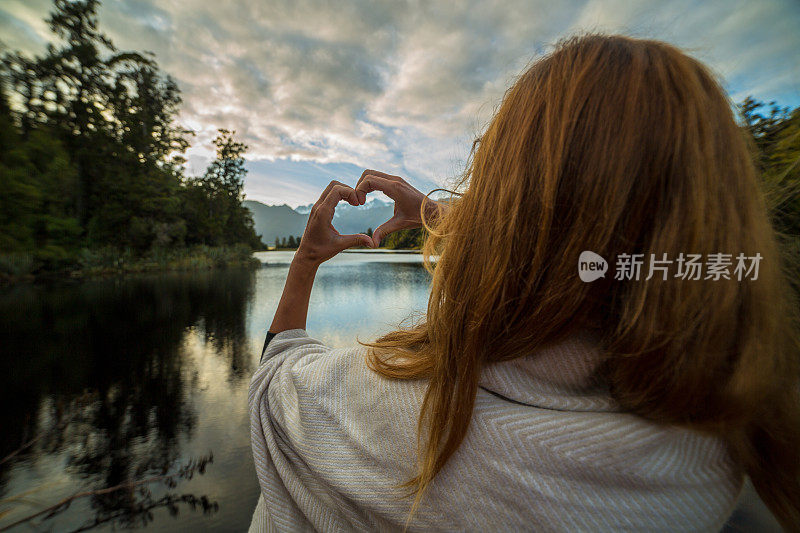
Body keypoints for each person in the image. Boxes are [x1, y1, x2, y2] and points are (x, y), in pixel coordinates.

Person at [248, 34, 800, 531]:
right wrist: (436, 214)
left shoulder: (394, 416)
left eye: (488, 164)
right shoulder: (718, 437)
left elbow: (274, 379)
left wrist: (306, 262)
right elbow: (597, 253)